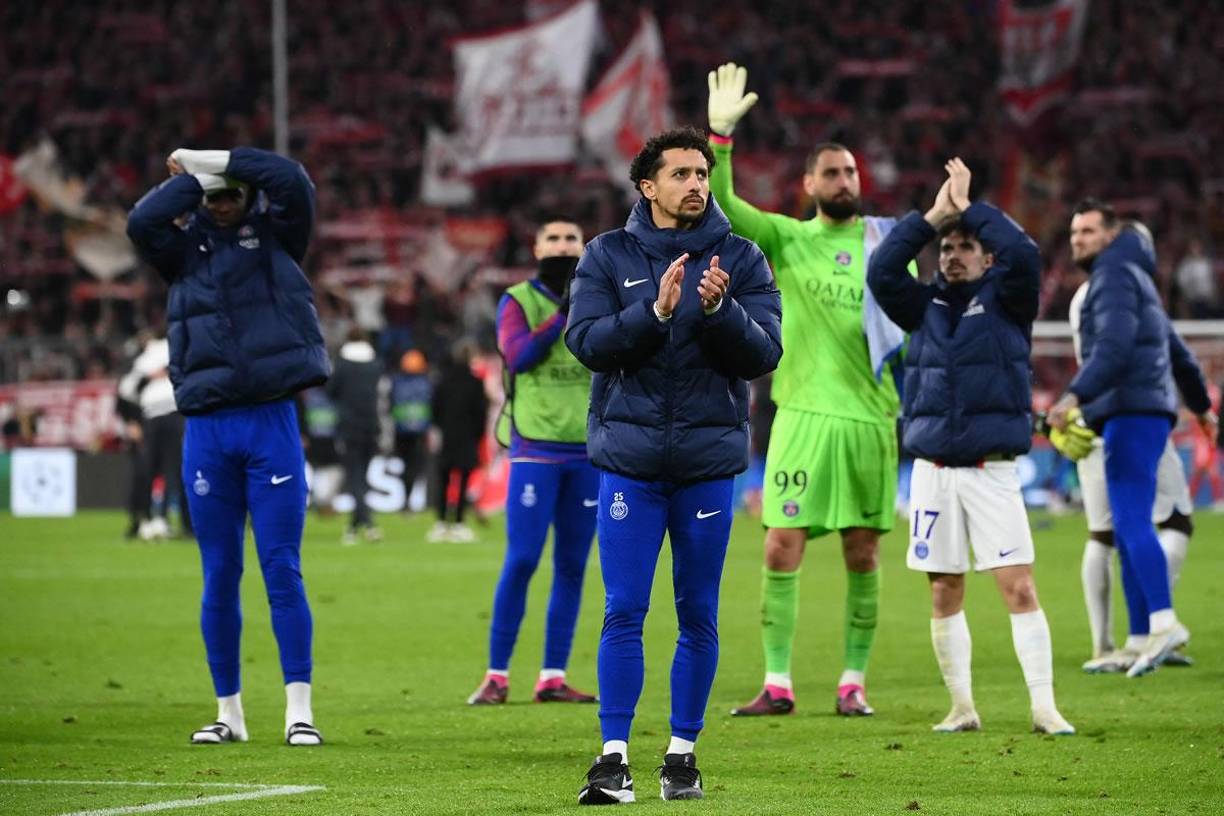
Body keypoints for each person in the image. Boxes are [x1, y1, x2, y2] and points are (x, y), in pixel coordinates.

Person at [566, 126, 781, 803]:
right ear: (647, 186)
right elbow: (587, 344)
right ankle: (612, 757)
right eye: (681, 174)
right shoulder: (606, 255)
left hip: (707, 466)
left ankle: (682, 757)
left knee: (698, 612)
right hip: (629, 464)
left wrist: (718, 312)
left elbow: (765, 354)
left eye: (701, 173)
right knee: (623, 609)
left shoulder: (741, 258)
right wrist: (654, 313)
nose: (695, 184)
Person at [707, 63, 907, 717]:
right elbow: (727, 211)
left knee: (862, 549)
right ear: (809, 186)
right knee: (778, 543)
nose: (843, 181)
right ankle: (778, 684)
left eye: (849, 172)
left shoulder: (888, 243)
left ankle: (853, 682)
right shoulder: (791, 240)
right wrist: (721, 143)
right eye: (831, 173)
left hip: (871, 418)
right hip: (800, 415)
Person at [126, 145, 329, 746]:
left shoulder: (278, 237)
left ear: (246, 193)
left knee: (281, 569)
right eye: (210, 195)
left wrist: (217, 159)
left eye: (228, 192)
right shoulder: (180, 251)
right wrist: (191, 180)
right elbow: (141, 223)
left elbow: (293, 178)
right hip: (208, 430)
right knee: (219, 573)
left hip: (270, 423)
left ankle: (299, 712)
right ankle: (229, 713)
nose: (218, 203)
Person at [868, 158, 1073, 735]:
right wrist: (934, 216)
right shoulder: (922, 307)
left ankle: (1043, 706)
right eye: (948, 247)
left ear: (986, 257)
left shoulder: (1011, 301)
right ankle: (961, 706)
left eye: (966, 246)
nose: (954, 254)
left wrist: (974, 209)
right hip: (932, 470)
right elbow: (882, 271)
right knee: (944, 590)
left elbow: (1027, 253)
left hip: (992, 472)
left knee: (1019, 585)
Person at [1053, 201, 1216, 677]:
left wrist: (1073, 396)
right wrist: (1203, 409)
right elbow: (1179, 354)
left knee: (1129, 523)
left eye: (1088, 230)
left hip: (1129, 410)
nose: (1078, 239)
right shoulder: (1138, 279)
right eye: (1074, 232)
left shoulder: (1112, 278)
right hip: (1142, 410)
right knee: (1127, 528)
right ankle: (1139, 637)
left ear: (1111, 234)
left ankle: (1163, 622)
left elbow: (1115, 347)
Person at [467, 219, 599, 706]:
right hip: (536, 450)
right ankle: (497, 675)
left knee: (571, 564)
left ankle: (552, 676)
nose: (564, 246)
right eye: (555, 239)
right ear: (537, 248)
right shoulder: (517, 300)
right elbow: (518, 357)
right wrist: (563, 315)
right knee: (522, 560)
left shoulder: (600, 295)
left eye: (572, 240)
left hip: (588, 452)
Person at [428, 339, 489, 543]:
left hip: (447, 436)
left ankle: (441, 522)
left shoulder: (442, 380)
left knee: (443, 479)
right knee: (462, 480)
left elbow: (434, 409)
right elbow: (481, 413)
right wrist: (477, 435)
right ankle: (459, 523)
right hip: (467, 437)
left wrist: (440, 428)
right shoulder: (475, 382)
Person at [329, 326, 385, 545]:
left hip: (349, 425)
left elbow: (331, 391)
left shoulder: (342, 365)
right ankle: (354, 527)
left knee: (354, 475)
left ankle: (369, 524)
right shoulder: (376, 364)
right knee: (362, 475)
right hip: (372, 425)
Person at [390, 349, 432, 512]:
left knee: (406, 466)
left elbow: (392, 404)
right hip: (419, 432)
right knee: (415, 467)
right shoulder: (426, 383)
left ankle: (406, 500)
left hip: (401, 431)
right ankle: (409, 500)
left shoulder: (397, 382)